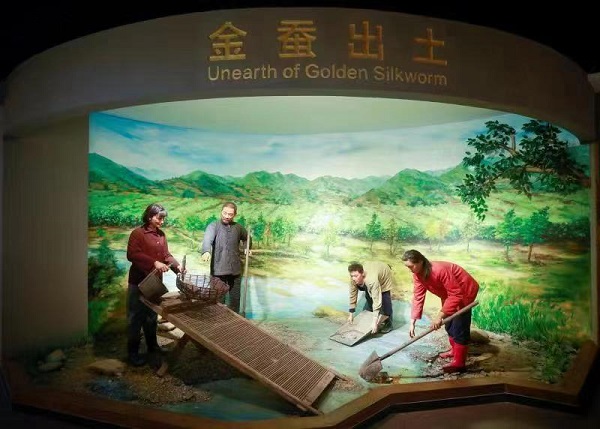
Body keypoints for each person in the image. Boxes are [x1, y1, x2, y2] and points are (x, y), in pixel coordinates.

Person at [401, 249, 479, 373]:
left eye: (411, 266)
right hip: (449, 294)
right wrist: (412, 321)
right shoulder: (417, 275)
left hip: (464, 290)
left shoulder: (439, 270)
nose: (410, 270)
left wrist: (439, 316)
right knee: (448, 323)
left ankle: (459, 363)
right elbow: (418, 296)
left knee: (459, 325)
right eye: (408, 267)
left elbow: (456, 294)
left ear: (420, 261)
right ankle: (454, 351)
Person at [126, 203, 184, 367]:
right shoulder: (137, 234)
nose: (162, 221)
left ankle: (153, 348)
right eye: (159, 218)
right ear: (150, 216)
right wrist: (154, 262)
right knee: (135, 318)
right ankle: (133, 354)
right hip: (138, 282)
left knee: (151, 317)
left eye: (163, 218)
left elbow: (166, 255)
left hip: (155, 283)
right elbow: (132, 255)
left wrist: (177, 266)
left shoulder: (161, 235)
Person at [201, 202, 250, 313]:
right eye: (225, 213)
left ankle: (234, 322)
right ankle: (218, 322)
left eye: (230, 214)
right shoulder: (213, 226)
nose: (227, 216)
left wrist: (246, 247)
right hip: (218, 271)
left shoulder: (238, 227)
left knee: (235, 302)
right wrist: (206, 251)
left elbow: (247, 238)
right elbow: (207, 239)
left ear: (234, 215)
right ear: (221, 212)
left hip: (235, 271)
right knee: (218, 302)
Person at [347, 261, 395, 334]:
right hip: (371, 273)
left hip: (383, 274)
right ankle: (372, 316)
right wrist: (351, 314)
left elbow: (376, 299)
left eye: (356, 276)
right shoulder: (353, 279)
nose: (353, 278)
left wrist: (374, 322)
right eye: (352, 276)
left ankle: (388, 323)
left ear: (362, 274)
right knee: (369, 298)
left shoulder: (372, 280)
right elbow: (352, 295)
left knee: (385, 301)